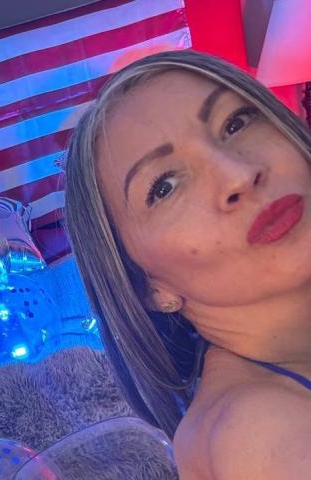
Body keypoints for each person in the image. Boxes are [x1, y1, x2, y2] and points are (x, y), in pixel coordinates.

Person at [64, 49, 311, 479]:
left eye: (235, 123)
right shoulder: (259, 432)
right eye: (164, 187)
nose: (238, 174)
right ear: (150, 287)